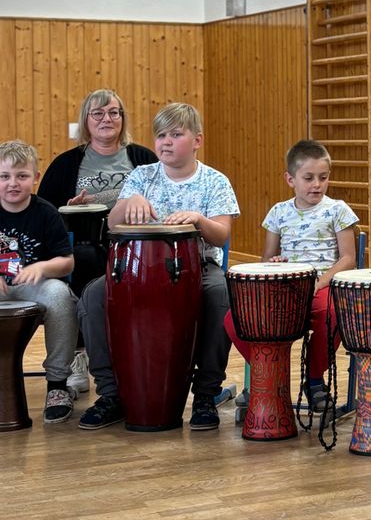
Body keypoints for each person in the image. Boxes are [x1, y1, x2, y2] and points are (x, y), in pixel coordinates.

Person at [76, 102, 239, 431]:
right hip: (137, 269)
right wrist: (129, 202)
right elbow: (112, 221)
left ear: (197, 141)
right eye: (161, 135)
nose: (166, 141)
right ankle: (112, 394)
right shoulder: (142, 175)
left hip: (197, 268)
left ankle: (206, 395)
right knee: (93, 296)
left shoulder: (215, 181)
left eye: (176, 135)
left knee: (221, 295)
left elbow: (221, 234)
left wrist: (198, 220)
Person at [223, 139, 358, 411]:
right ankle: (271, 374)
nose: (316, 184)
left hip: (321, 287)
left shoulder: (337, 210)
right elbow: (265, 261)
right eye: (308, 178)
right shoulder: (278, 213)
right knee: (233, 319)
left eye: (323, 178)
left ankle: (314, 379)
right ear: (290, 179)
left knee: (332, 315)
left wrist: (321, 282)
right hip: (284, 290)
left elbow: (348, 259)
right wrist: (274, 263)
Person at [38, 88, 156, 396]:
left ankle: (134, 357)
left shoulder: (142, 158)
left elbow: (164, 199)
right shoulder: (66, 164)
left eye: (114, 112)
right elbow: (44, 216)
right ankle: (80, 356)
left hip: (136, 245)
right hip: (85, 246)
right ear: (86, 121)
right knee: (85, 259)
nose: (107, 119)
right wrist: (69, 209)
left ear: (122, 118)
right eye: (98, 113)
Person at [0, 140, 77, 423]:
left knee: (60, 295)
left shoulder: (46, 212)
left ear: (36, 177)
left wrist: (43, 267)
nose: (13, 183)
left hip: (34, 285)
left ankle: (57, 384)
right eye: (4, 176)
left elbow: (67, 262)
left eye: (22, 176)